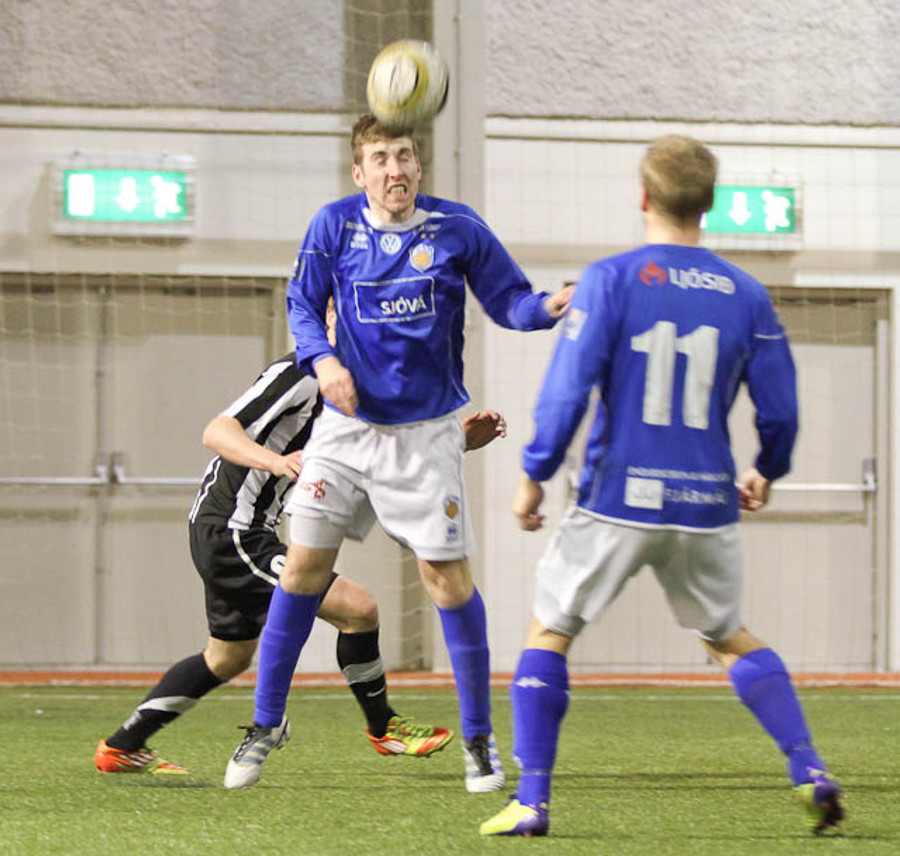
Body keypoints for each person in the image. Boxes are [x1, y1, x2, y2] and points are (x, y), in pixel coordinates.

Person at [480, 135, 843, 837]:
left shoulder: (610, 280)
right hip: (705, 503)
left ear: (643, 197)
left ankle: (531, 799)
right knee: (727, 636)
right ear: (708, 205)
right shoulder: (747, 294)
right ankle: (808, 768)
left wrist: (533, 476)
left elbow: (566, 392)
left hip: (617, 498)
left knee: (549, 629)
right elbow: (782, 411)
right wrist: (767, 469)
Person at [223, 113, 574, 792]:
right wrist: (325, 362)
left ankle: (478, 740)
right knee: (302, 571)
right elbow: (302, 304)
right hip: (345, 432)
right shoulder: (333, 226)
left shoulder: (457, 227)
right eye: (381, 158)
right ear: (360, 172)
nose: (395, 169)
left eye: (405, 156)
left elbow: (510, 301)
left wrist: (549, 307)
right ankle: (265, 724)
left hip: (426, 436)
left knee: (446, 582)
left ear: (419, 166)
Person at [94, 329, 507, 775]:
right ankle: (384, 728)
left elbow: (379, 460)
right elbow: (217, 431)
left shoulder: (362, 387)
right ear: (329, 317)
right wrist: (277, 462)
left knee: (227, 657)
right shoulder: (300, 373)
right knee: (358, 609)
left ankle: (121, 746)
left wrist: (458, 441)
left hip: (238, 530)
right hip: (234, 530)